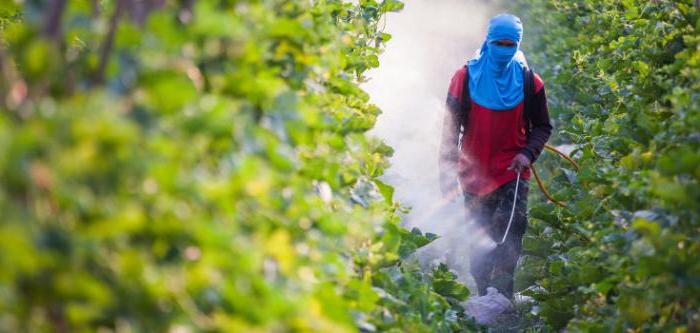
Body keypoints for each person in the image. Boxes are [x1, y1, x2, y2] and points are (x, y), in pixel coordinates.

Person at [438, 13, 552, 300]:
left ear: (518, 45)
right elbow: (450, 131)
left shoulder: (530, 82)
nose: (504, 50)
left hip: (512, 171)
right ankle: (482, 294)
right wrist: (447, 174)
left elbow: (542, 126)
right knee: (480, 235)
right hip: (474, 173)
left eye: (510, 44)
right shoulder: (464, 78)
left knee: (510, 230)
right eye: (499, 43)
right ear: (488, 41)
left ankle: (502, 296)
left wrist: (528, 154)